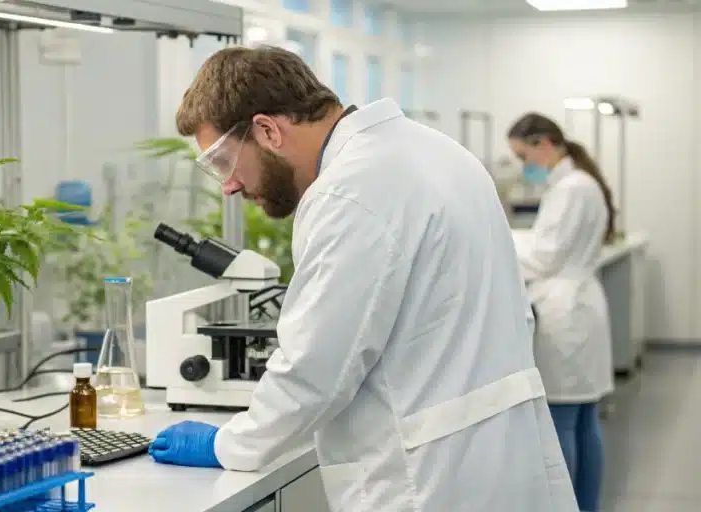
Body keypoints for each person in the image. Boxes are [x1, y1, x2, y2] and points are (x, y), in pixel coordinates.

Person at [147, 46, 577, 511]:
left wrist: (228, 445)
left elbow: (315, 370)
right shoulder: (435, 150)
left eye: (223, 162)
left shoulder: (349, 191)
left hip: (427, 477)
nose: (228, 185)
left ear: (267, 129)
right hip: (502, 455)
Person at [507, 113, 615, 512]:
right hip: (581, 306)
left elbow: (544, 257)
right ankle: (586, 505)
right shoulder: (580, 184)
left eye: (524, 156)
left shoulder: (570, 189)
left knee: (565, 420)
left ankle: (568, 505)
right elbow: (550, 245)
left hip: (564, 314)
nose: (525, 166)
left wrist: (504, 241)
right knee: (586, 419)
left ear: (545, 144)